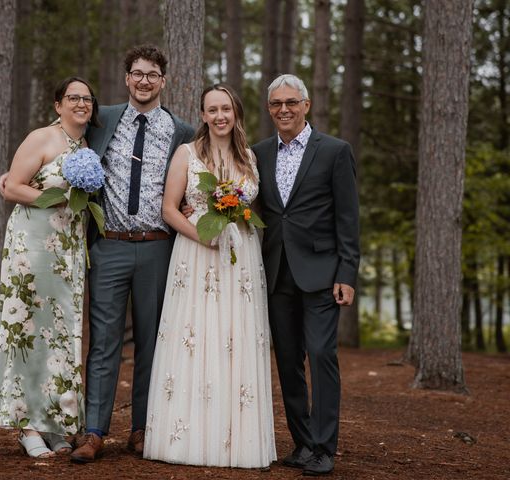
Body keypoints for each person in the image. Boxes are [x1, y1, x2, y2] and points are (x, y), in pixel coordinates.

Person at [69, 44, 195, 463]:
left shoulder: (182, 131)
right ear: (127, 79)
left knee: (152, 343)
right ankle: (93, 431)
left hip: (158, 248)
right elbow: (61, 138)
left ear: (164, 81)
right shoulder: (101, 121)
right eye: (137, 73)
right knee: (103, 343)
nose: (144, 81)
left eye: (152, 75)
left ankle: (144, 428)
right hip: (109, 247)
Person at [143, 84, 276, 468]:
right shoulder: (187, 154)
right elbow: (169, 209)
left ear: (236, 114)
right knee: (197, 336)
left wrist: (234, 227)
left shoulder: (249, 157)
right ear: (202, 114)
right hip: (197, 254)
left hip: (242, 259)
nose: (219, 116)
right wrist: (206, 238)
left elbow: (252, 207)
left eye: (226, 109)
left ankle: (236, 439)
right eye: (212, 110)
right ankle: (189, 437)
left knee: (234, 338)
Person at [252, 74, 360, 476]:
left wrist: (347, 273)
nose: (284, 109)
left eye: (291, 102)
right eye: (277, 104)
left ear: (306, 105)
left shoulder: (334, 151)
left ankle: (324, 446)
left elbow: (348, 219)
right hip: (276, 271)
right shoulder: (259, 153)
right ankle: (302, 443)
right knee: (288, 362)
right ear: (269, 109)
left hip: (321, 273)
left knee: (321, 354)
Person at [0, 77, 101, 458]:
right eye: (73, 98)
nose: (80, 103)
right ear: (58, 105)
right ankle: (26, 425)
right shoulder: (41, 138)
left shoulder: (85, 147)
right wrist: (52, 200)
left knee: (61, 335)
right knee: (28, 329)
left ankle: (56, 420)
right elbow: (13, 187)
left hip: (67, 251)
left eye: (86, 98)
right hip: (32, 247)